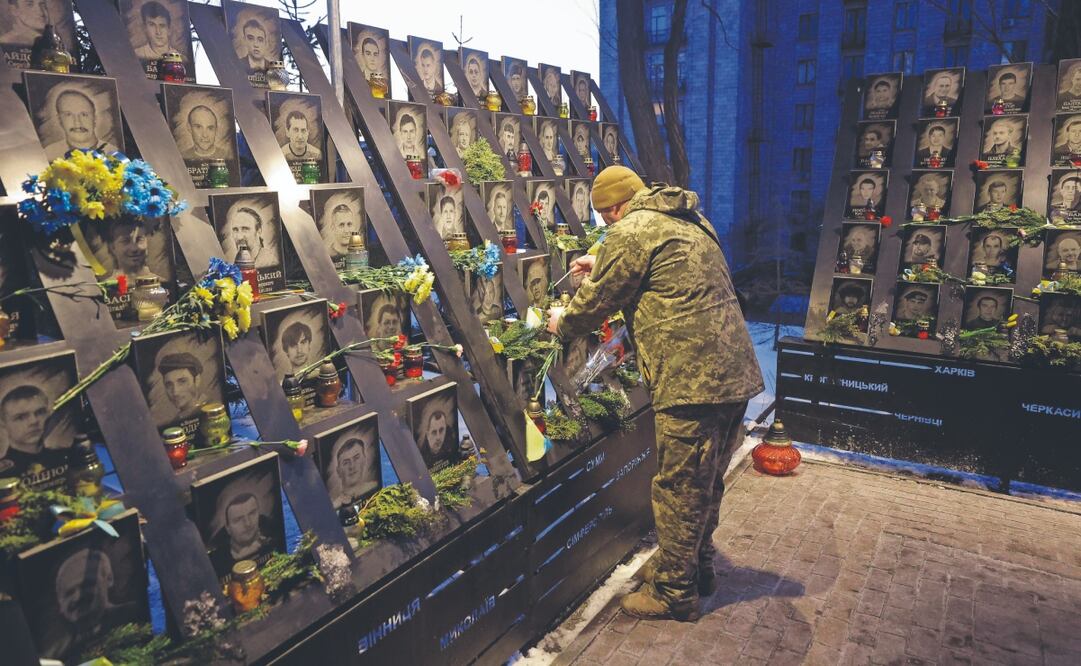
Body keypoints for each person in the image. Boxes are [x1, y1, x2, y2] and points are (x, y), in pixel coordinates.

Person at [546, 166, 763, 621]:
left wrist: (563, 322)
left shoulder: (630, 230)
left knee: (679, 487)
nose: (609, 227)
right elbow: (655, 266)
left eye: (606, 219)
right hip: (733, 372)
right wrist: (601, 258)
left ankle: (673, 592)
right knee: (705, 480)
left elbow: (596, 302)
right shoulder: (687, 218)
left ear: (616, 208)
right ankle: (694, 566)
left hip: (691, 381)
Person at [46, 548, 135, 659]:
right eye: (69, 592)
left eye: (85, 585)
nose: (78, 597)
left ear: (109, 579)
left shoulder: (135, 615)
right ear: (60, 605)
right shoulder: (60, 654)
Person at [0, 384, 68, 488]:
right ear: (3, 423)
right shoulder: (3, 474)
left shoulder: (66, 457)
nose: (34, 421)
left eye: (40, 412)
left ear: (49, 414)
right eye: (21, 417)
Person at [208, 491, 273, 576]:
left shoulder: (273, 540)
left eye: (252, 513)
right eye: (238, 519)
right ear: (228, 528)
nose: (248, 523)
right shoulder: (216, 561)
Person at [44, 89, 120, 159]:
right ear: (59, 119)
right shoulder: (48, 155)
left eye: (84, 114)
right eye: (68, 115)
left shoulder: (114, 153)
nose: (77, 122)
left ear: (95, 118)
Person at [325, 435, 378, 507]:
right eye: (346, 463)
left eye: (356, 458)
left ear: (364, 459)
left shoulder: (375, 486)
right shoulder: (334, 506)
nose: (352, 466)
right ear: (338, 471)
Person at [157, 351, 203, 421]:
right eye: (169, 385)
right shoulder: (175, 421)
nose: (175, 392)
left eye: (182, 382)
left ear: (197, 380)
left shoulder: (212, 408)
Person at [415, 402, 454, 469]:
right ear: (427, 434)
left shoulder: (451, 450)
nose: (438, 437)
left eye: (441, 430)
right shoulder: (420, 457)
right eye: (434, 432)